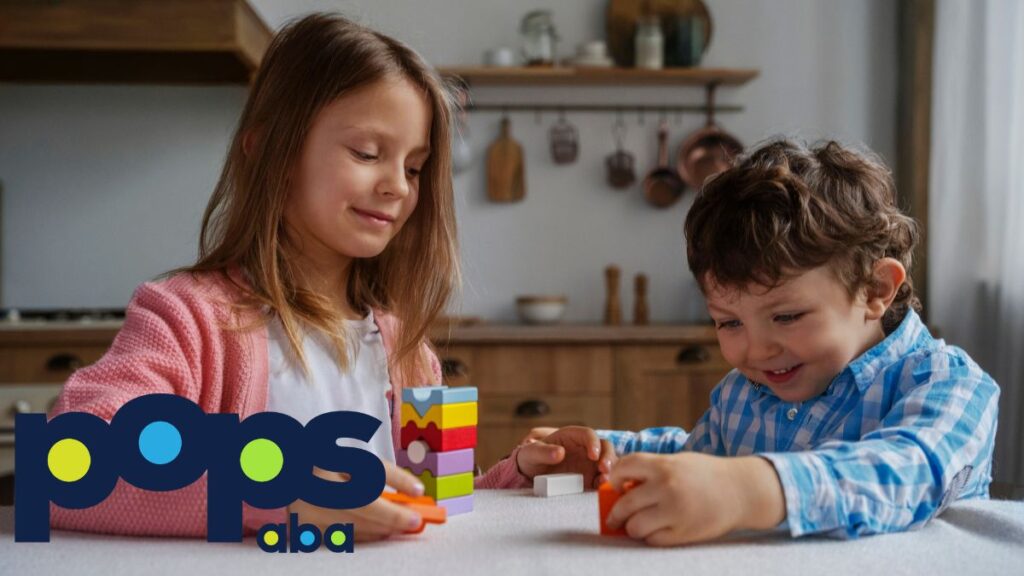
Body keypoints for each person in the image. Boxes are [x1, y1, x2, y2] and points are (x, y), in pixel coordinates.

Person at [47, 13, 607, 542]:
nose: (398, 187)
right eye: (367, 153)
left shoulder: (407, 347)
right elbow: (70, 463)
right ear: (271, 151)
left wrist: (518, 479)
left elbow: (428, 501)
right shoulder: (187, 319)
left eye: (413, 168)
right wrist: (279, 493)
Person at [525, 139, 1000, 546]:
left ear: (875, 290)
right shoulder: (744, 392)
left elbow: (908, 472)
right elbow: (698, 460)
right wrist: (602, 455)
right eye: (729, 323)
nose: (755, 351)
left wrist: (749, 489)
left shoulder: (948, 383)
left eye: (787, 316)